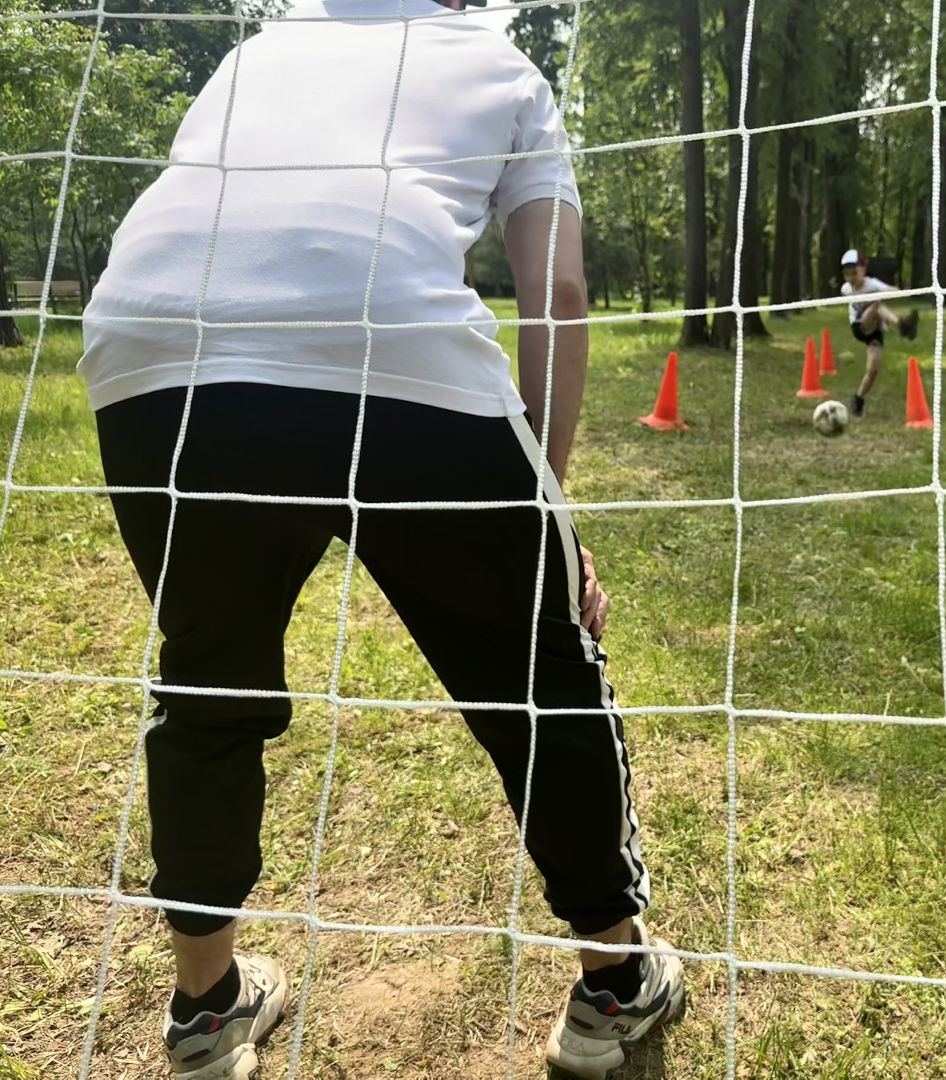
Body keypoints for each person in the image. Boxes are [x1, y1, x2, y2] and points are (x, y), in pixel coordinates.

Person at [78, 1, 683, 1077]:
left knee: (206, 685)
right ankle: (617, 979)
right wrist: (553, 510)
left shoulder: (258, 53)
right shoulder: (506, 68)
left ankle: (206, 1010)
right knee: (535, 679)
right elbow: (556, 292)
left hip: (154, 341)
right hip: (397, 351)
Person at [839, 249, 918, 418]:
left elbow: (891, 289)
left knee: (874, 368)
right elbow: (847, 293)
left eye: (854, 273)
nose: (851, 278)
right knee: (876, 306)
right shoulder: (846, 288)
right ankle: (902, 325)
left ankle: (858, 399)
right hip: (859, 326)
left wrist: (905, 291)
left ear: (864, 270)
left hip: (875, 330)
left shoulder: (872, 284)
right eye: (847, 274)